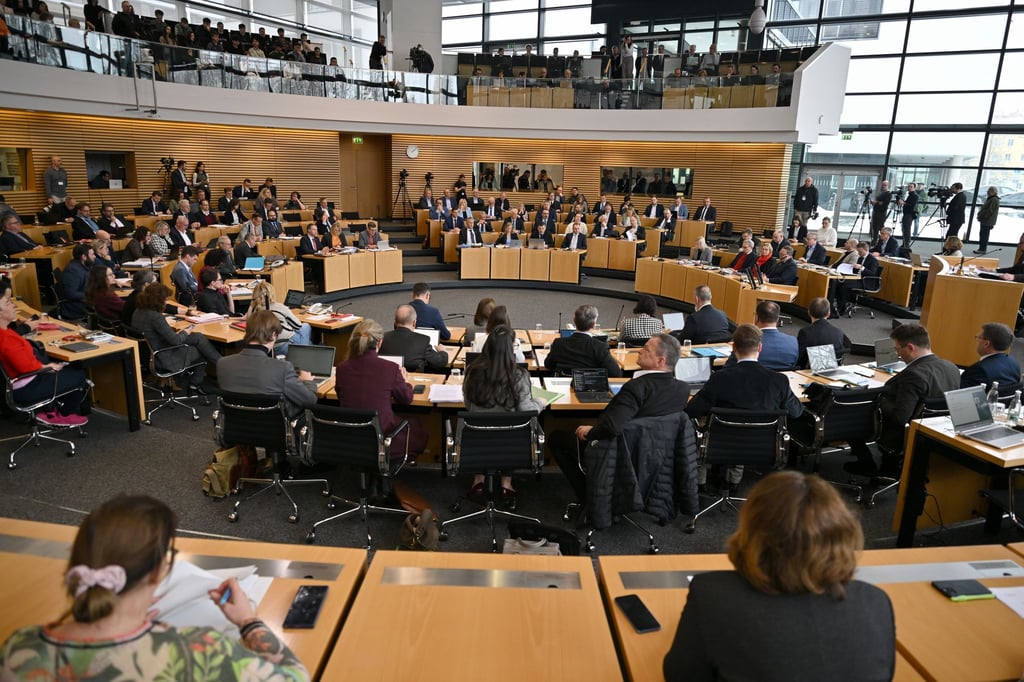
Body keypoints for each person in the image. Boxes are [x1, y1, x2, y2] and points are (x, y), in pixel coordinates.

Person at [0, 494, 310, 681]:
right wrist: (248, 621)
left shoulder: (20, 649)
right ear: (157, 573)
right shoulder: (194, 651)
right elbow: (294, 677)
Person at [663, 471, 896, 682]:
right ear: (844, 532)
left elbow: (679, 675)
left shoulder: (711, 596)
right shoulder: (876, 602)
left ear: (752, 532)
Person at [549, 333, 690, 504]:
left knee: (556, 439)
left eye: (646, 349)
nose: (639, 351)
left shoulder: (635, 388)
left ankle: (589, 497)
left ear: (660, 361)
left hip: (619, 453)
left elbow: (611, 428)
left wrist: (591, 431)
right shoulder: (683, 389)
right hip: (656, 455)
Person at [687, 323, 804, 489]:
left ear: (733, 347)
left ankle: (700, 483)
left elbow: (693, 410)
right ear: (760, 348)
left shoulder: (720, 378)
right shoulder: (778, 381)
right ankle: (733, 481)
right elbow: (796, 412)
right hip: (761, 446)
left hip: (720, 443)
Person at [844, 324, 959, 478]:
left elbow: (900, 417)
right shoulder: (951, 367)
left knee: (850, 414)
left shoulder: (913, 375)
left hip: (900, 435)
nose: (898, 354)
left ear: (910, 348)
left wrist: (879, 399)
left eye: (898, 350)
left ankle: (867, 463)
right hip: (936, 432)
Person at [463, 325, 547, 508]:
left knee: (483, 423)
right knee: (514, 426)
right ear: (511, 349)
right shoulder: (519, 376)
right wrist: (540, 402)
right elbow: (526, 411)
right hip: (511, 445)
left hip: (475, 443)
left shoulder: (472, 371)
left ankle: (478, 480)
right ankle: (506, 484)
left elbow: (468, 406)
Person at [335, 318, 428, 464]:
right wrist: (405, 381)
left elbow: (340, 394)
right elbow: (406, 398)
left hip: (351, 437)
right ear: (379, 343)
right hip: (384, 439)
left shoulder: (342, 368)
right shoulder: (390, 368)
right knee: (417, 428)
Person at [0, 294, 90, 426]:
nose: (13, 305)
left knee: (67, 369)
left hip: (18, 384)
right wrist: (48, 367)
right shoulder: (6, 339)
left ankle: (51, 408)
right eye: (8, 303)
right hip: (26, 388)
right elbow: (25, 367)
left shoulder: (6, 332)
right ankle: (63, 414)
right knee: (78, 373)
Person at [217, 310, 317, 420]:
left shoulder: (222, 364)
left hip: (236, 430)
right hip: (276, 432)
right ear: (273, 334)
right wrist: (308, 382)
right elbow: (309, 401)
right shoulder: (282, 368)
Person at [132, 283, 221, 396]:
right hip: (163, 357)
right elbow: (176, 341)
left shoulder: (138, 312)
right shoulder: (156, 317)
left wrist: (179, 333)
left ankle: (217, 367)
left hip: (149, 355)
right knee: (201, 350)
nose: (165, 302)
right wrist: (185, 332)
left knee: (197, 338)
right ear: (158, 300)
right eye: (165, 299)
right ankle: (199, 381)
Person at [545, 304, 622, 377]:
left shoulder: (559, 343)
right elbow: (616, 373)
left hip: (562, 387)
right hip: (589, 388)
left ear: (574, 320)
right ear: (593, 325)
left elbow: (548, 365)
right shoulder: (600, 347)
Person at [379, 304, 449, 373]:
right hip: (413, 381)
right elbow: (439, 362)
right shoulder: (422, 340)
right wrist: (443, 352)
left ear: (395, 322)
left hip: (387, 379)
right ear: (414, 322)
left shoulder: (383, 338)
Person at [247, 280, 313, 353]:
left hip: (264, 346)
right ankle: (305, 353)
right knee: (305, 327)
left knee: (308, 340)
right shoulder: (278, 307)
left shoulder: (252, 309)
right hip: (284, 344)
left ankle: (310, 349)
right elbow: (298, 325)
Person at [960, 322, 1021, 392]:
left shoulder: (979, 370)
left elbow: (961, 396)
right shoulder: (1014, 364)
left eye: (978, 338)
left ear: (986, 344)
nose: (977, 341)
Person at [797, 297, 851, 368]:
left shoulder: (805, 332)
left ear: (809, 312)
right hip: (833, 372)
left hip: (810, 371)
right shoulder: (839, 332)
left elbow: (799, 358)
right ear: (828, 314)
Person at [835, 241, 879, 315]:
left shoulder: (873, 260)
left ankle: (842, 307)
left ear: (866, 250)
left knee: (845, 285)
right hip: (858, 278)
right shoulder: (860, 258)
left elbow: (873, 274)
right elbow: (855, 271)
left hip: (867, 282)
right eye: (858, 251)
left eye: (860, 252)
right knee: (839, 282)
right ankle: (841, 304)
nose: (859, 253)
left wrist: (862, 268)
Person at [974, 186, 1000, 254]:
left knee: (984, 235)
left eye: (989, 191)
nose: (988, 192)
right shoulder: (991, 199)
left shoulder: (994, 199)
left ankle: (982, 249)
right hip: (986, 220)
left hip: (987, 221)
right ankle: (981, 248)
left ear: (993, 192)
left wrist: (982, 216)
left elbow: (989, 211)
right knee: (982, 234)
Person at [898, 181, 919, 249]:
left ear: (914, 188)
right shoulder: (909, 195)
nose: (909, 188)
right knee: (904, 229)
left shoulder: (915, 196)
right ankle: (904, 243)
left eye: (911, 187)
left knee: (906, 229)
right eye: (908, 187)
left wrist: (904, 203)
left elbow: (912, 206)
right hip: (906, 213)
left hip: (909, 214)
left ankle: (906, 244)